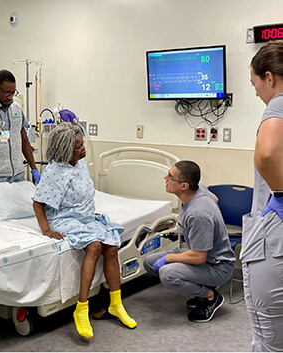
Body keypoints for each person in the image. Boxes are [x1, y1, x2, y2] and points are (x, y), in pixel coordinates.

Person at [32, 122, 137, 339]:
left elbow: (83, 193)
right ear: (65, 149)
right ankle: (81, 308)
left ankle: (116, 303)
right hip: (64, 218)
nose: (83, 149)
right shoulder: (54, 171)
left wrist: (89, 212)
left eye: (82, 144)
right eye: (78, 147)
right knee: (95, 246)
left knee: (111, 246)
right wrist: (46, 230)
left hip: (85, 217)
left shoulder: (79, 165)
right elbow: (38, 203)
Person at [143, 160, 235, 323]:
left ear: (184, 186)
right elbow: (215, 198)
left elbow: (199, 257)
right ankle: (203, 287)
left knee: (167, 273)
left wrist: (169, 259)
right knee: (150, 262)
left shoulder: (198, 214)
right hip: (201, 255)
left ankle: (210, 296)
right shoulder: (201, 190)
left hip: (217, 266)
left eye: (170, 176)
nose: (165, 177)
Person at [240, 40, 283, 352]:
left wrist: (280, 196)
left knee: (267, 336)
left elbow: (267, 154)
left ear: (269, 78)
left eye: (254, 83)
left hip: (273, 237)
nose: (255, 91)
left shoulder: (277, 105)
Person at [0, 69, 41, 203]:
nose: (10, 97)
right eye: (7, 92)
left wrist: (34, 169)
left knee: (22, 215)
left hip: (18, 175)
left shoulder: (16, 108)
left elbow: (24, 140)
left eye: (13, 92)